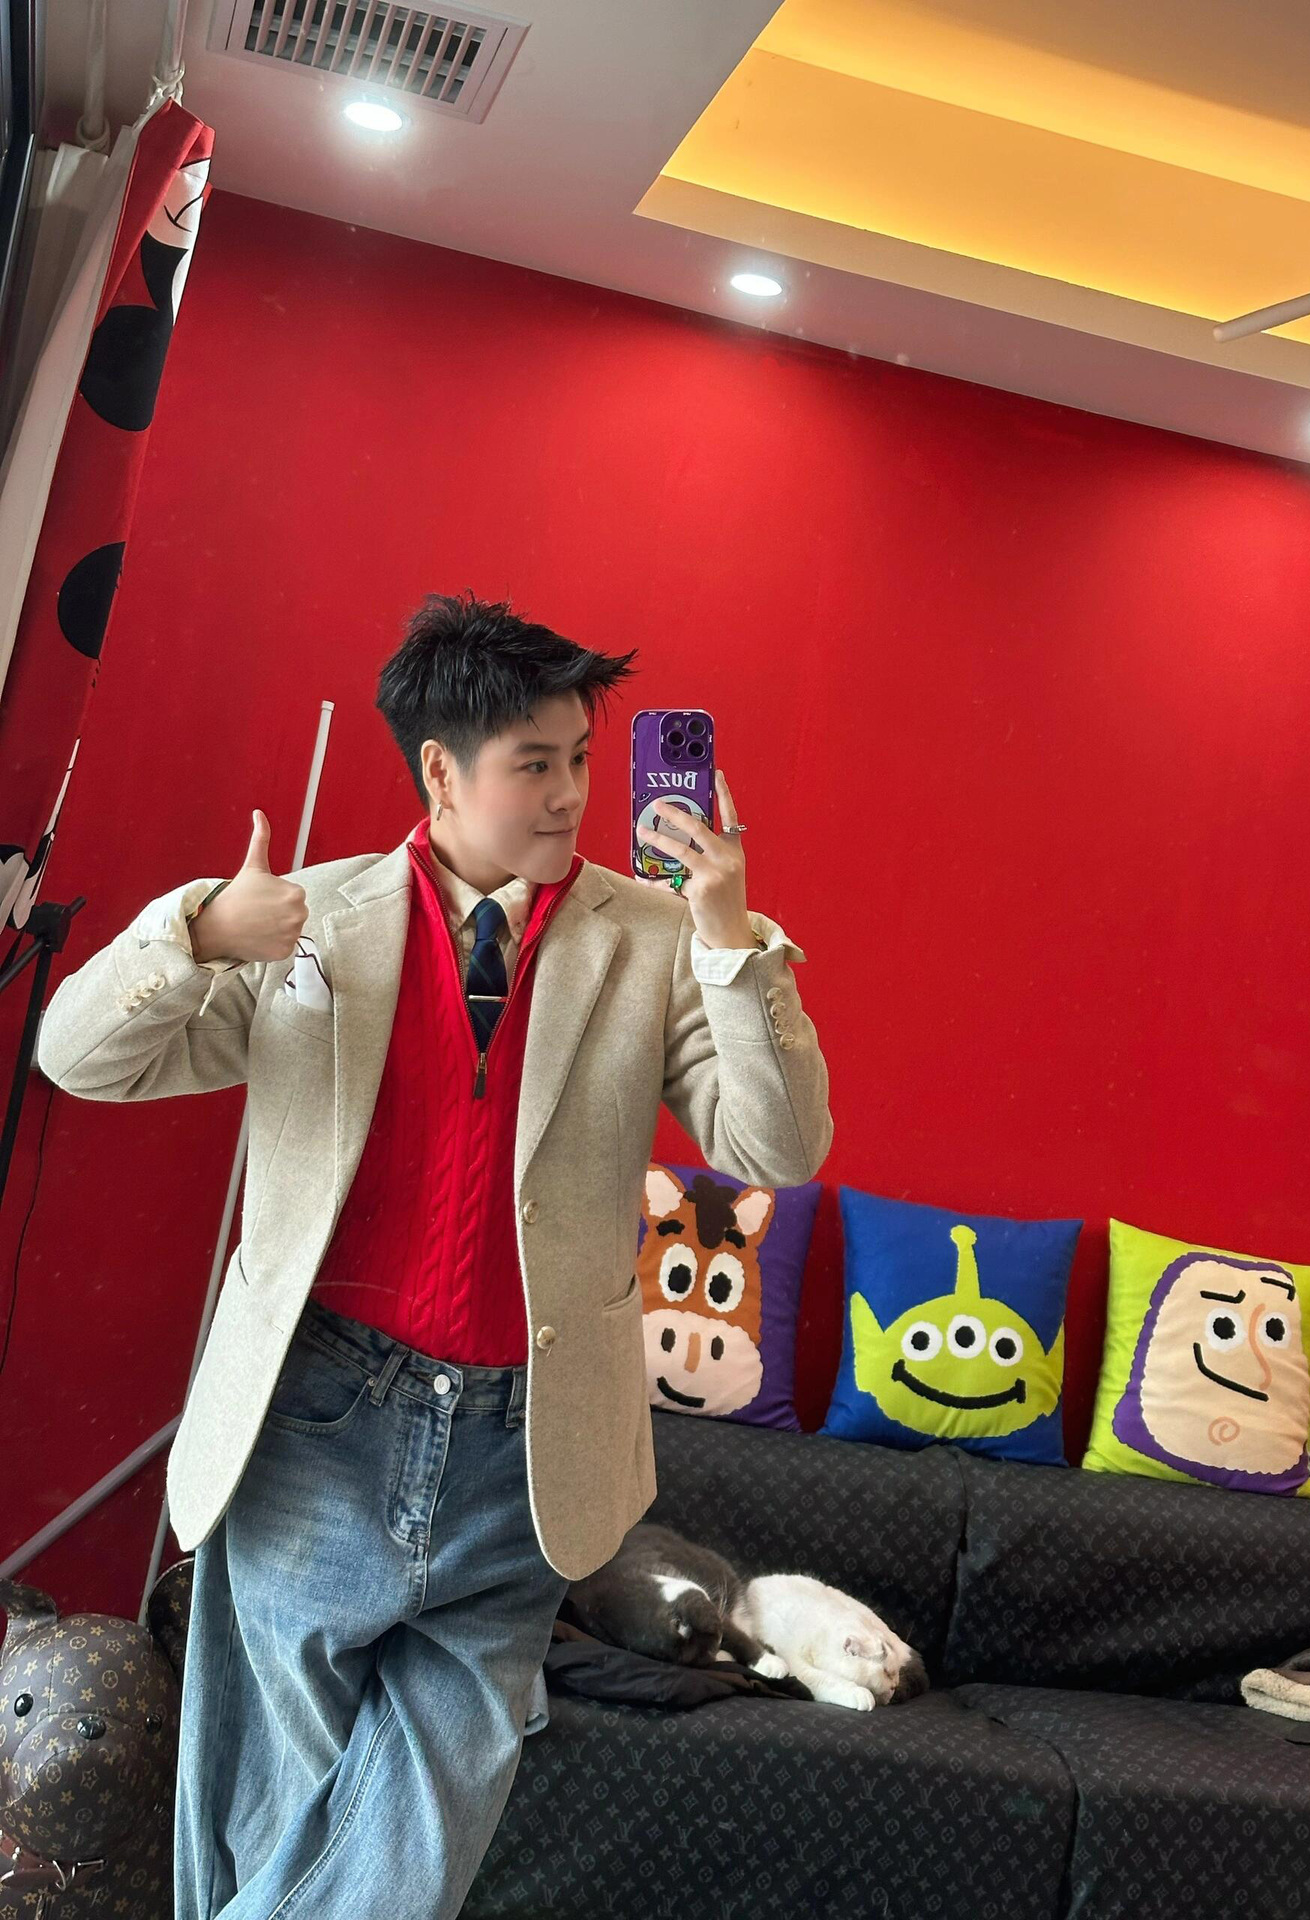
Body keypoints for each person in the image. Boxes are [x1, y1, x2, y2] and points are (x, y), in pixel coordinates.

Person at [33, 590, 833, 1920]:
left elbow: (777, 1145)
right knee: (265, 1816)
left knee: (411, 1858)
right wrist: (200, 934)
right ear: (441, 771)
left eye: (583, 758)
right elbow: (79, 1055)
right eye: (536, 763)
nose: (571, 793)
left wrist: (731, 940)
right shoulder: (308, 917)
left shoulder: (657, 941)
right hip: (314, 1427)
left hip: (527, 1452)